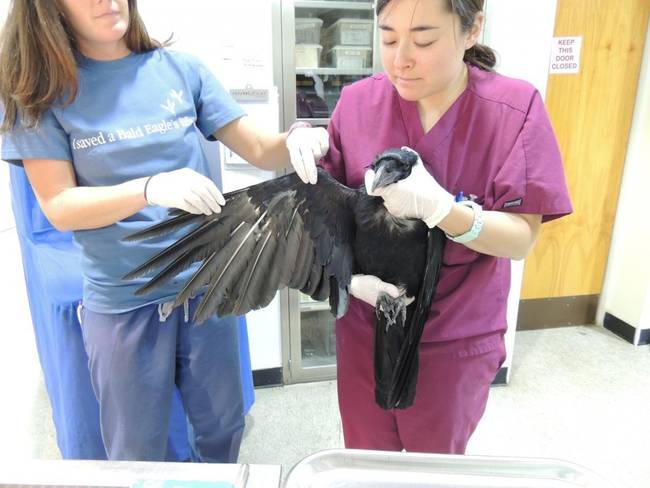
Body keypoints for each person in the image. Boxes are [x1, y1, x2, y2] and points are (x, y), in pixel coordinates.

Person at [0, 0, 325, 462]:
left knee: (223, 427)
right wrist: (149, 189)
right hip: (124, 299)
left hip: (208, 286)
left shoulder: (181, 70)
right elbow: (60, 207)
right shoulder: (43, 95)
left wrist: (295, 139)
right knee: (136, 450)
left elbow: (258, 149)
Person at [320, 0, 572, 454]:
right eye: (389, 37)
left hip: (455, 336)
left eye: (424, 39)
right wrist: (300, 138)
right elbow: (328, 215)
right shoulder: (358, 103)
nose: (401, 59)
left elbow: (521, 239)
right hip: (367, 326)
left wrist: (446, 212)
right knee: (366, 461)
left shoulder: (514, 108)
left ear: (472, 28)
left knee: (434, 468)